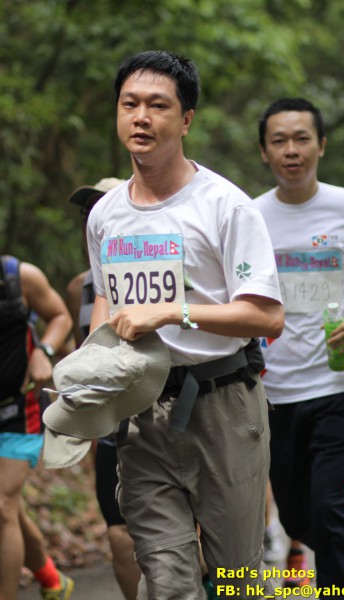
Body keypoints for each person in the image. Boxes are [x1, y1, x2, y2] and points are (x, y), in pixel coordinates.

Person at [86, 50, 284, 599]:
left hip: (223, 406)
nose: (141, 117)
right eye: (130, 104)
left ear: (186, 119)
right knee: (167, 582)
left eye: (158, 105)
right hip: (141, 414)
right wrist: (90, 368)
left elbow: (267, 316)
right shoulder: (105, 215)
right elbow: (106, 299)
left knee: (237, 579)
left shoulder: (226, 206)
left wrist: (175, 312)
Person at [253, 97, 344, 597]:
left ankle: (339, 572)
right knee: (297, 515)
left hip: (340, 382)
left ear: (321, 145)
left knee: (329, 507)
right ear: (264, 152)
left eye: (302, 139)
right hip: (274, 390)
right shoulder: (250, 216)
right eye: (279, 141)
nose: (291, 150)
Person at [66, 178, 141, 600]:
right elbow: (82, 350)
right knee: (118, 534)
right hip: (113, 430)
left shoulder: (164, 274)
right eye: (86, 214)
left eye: (102, 209)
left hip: (172, 420)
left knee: (193, 535)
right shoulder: (79, 287)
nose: (91, 221)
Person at [0, 256, 73, 600]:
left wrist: (44, 349)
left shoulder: (18, 277)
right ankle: (48, 575)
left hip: (17, 410)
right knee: (9, 507)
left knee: (2, 506)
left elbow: (61, 316)